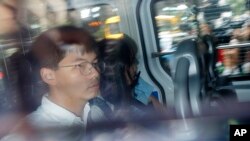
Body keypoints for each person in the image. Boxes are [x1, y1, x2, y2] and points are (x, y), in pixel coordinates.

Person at [1, 25, 103, 141]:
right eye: (79, 65)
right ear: (49, 76)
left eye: (95, 63)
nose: (95, 73)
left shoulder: (98, 111)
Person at [87, 35, 165, 125]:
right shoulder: (99, 109)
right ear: (116, 71)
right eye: (132, 63)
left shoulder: (134, 85)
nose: (136, 66)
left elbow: (156, 104)